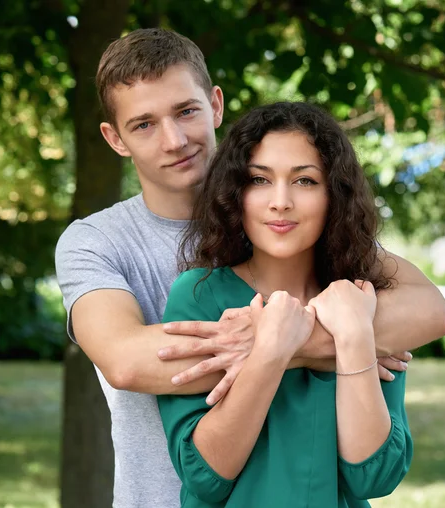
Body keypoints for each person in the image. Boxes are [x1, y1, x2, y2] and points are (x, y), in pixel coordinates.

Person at [55, 28, 445, 508]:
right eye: (143, 124)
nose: (174, 139)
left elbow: (429, 309)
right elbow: (126, 360)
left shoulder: (286, 222)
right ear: (114, 138)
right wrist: (297, 343)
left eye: (186, 111)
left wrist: (302, 337)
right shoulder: (96, 241)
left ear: (215, 105)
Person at [157, 101, 413, 507]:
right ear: (236, 193)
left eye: (305, 181)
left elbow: (375, 476)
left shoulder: (361, 302)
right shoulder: (199, 294)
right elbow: (203, 475)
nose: (280, 201)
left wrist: (353, 336)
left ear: (334, 195)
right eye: (259, 180)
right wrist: (271, 351)